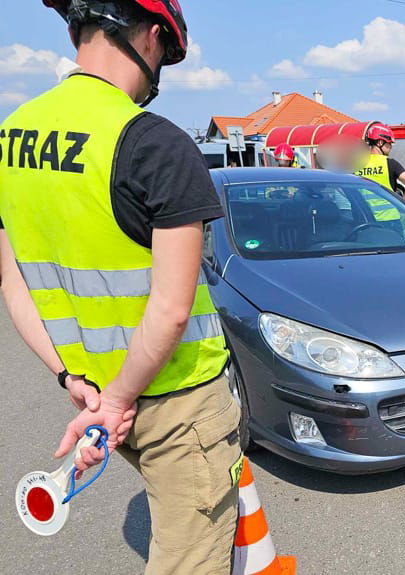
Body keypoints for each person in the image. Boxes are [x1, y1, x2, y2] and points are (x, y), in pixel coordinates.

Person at [0, 1, 240, 571]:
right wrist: (119, 401)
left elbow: (15, 286)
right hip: (173, 400)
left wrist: (72, 377)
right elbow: (172, 310)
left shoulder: (9, 139)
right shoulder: (154, 143)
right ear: (154, 38)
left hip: (95, 392)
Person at [355, 123, 405, 202]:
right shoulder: (390, 163)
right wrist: (404, 206)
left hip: (365, 213)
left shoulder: (357, 164)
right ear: (380, 143)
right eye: (389, 143)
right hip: (389, 213)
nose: (390, 147)